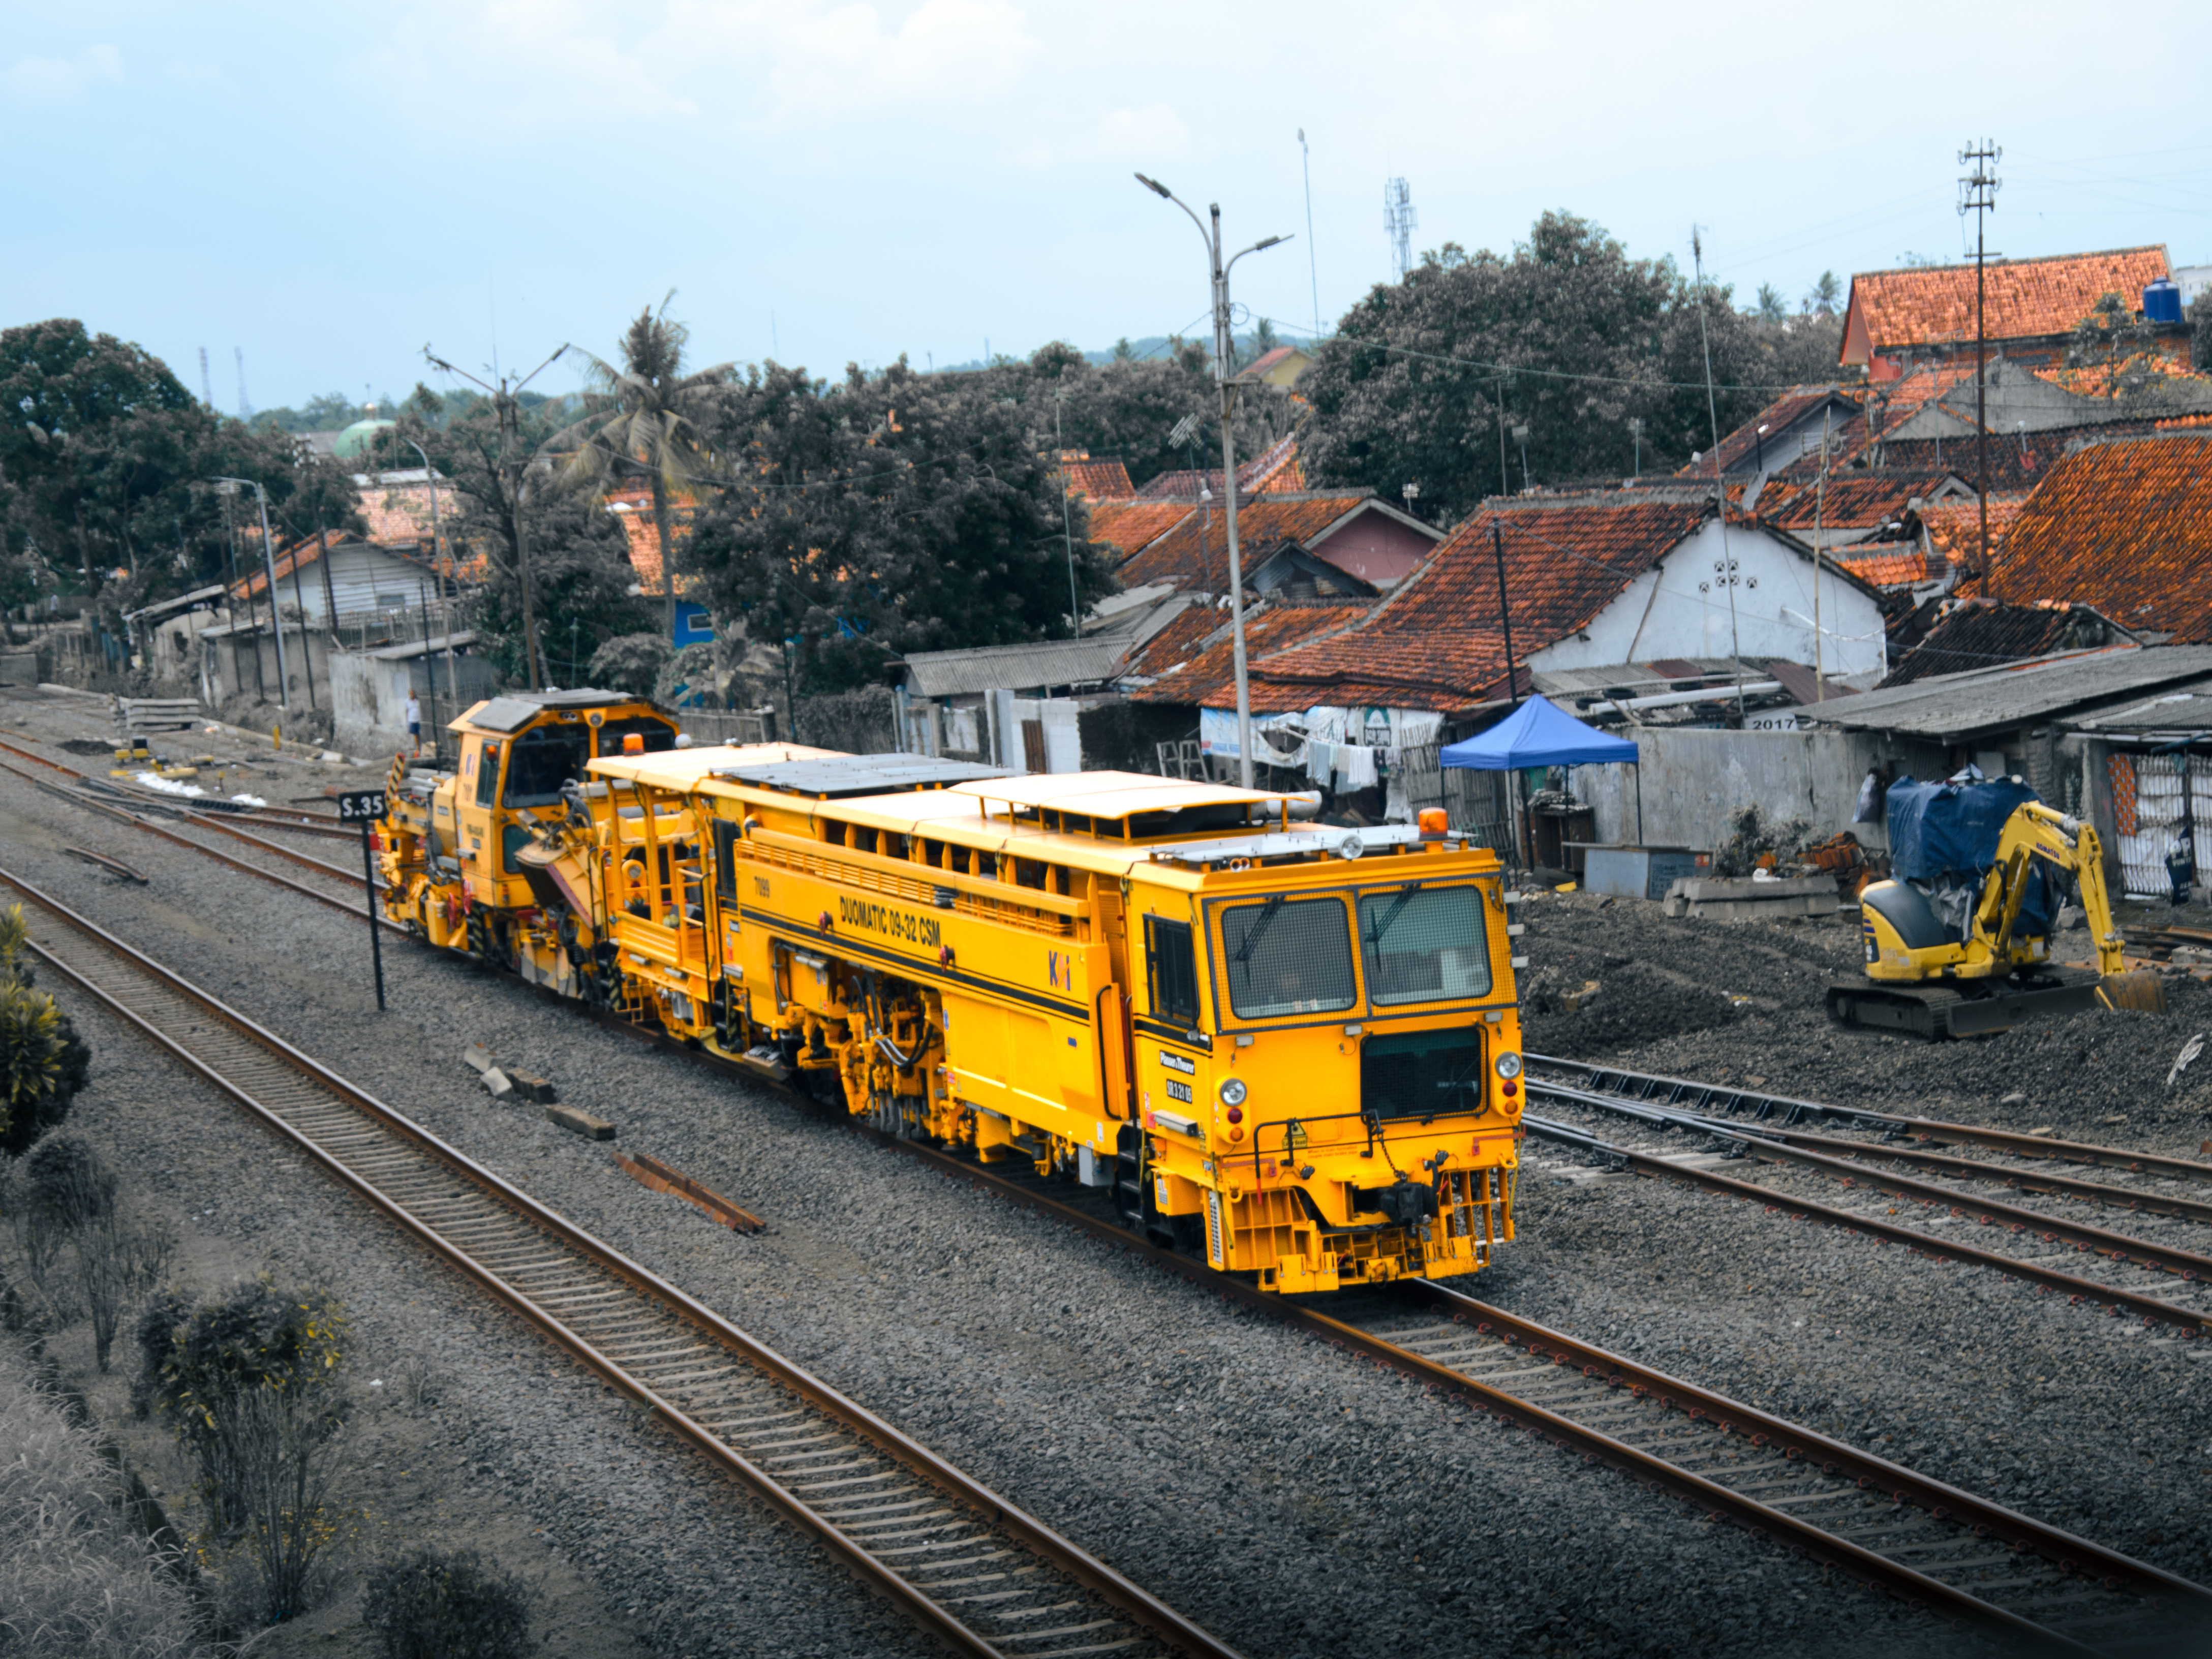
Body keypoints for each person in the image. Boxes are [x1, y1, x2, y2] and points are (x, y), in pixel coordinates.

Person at [405, 691, 422, 757]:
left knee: (419, 734)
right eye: (411, 694)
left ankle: (420, 747)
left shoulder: (417, 701)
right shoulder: (407, 702)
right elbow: (407, 711)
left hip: (418, 720)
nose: (412, 695)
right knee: (415, 735)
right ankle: (418, 747)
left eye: (413, 693)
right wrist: (408, 721)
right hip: (412, 721)